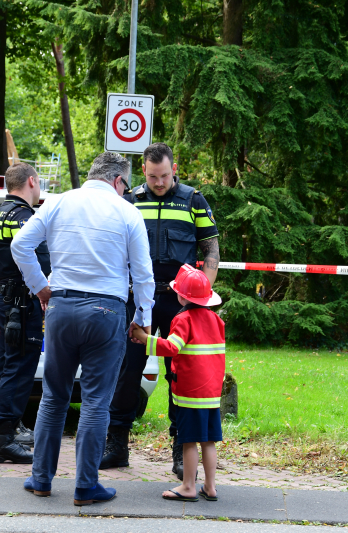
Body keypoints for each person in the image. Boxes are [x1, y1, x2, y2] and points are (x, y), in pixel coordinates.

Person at [11, 151, 155, 506]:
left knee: (53, 396)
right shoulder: (127, 212)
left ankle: (41, 478)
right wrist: (143, 317)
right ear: (118, 181)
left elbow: (20, 245)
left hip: (60, 307)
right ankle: (86, 486)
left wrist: (40, 287)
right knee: (95, 401)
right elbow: (143, 272)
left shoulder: (59, 202)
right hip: (106, 311)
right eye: (125, 186)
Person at [100, 142, 220, 480]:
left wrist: (200, 298)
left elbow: (211, 248)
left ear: (174, 168)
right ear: (144, 171)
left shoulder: (193, 200)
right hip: (137, 298)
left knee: (181, 373)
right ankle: (116, 445)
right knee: (127, 370)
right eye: (153, 176)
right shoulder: (130, 200)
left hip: (178, 301)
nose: (159, 182)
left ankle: (182, 451)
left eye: (165, 175)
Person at [130, 264, 225, 502]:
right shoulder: (217, 320)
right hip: (211, 393)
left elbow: (171, 347)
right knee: (209, 441)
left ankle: (188, 487)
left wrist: (144, 338)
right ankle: (210, 487)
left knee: (188, 439)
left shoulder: (183, 319)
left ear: (181, 296)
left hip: (190, 393)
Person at [0, 163, 51, 464]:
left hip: (4, 299)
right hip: (22, 303)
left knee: (6, 363)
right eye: (39, 183)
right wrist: (41, 288)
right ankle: (4, 439)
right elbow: (28, 251)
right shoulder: (23, 216)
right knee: (19, 368)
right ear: (31, 181)